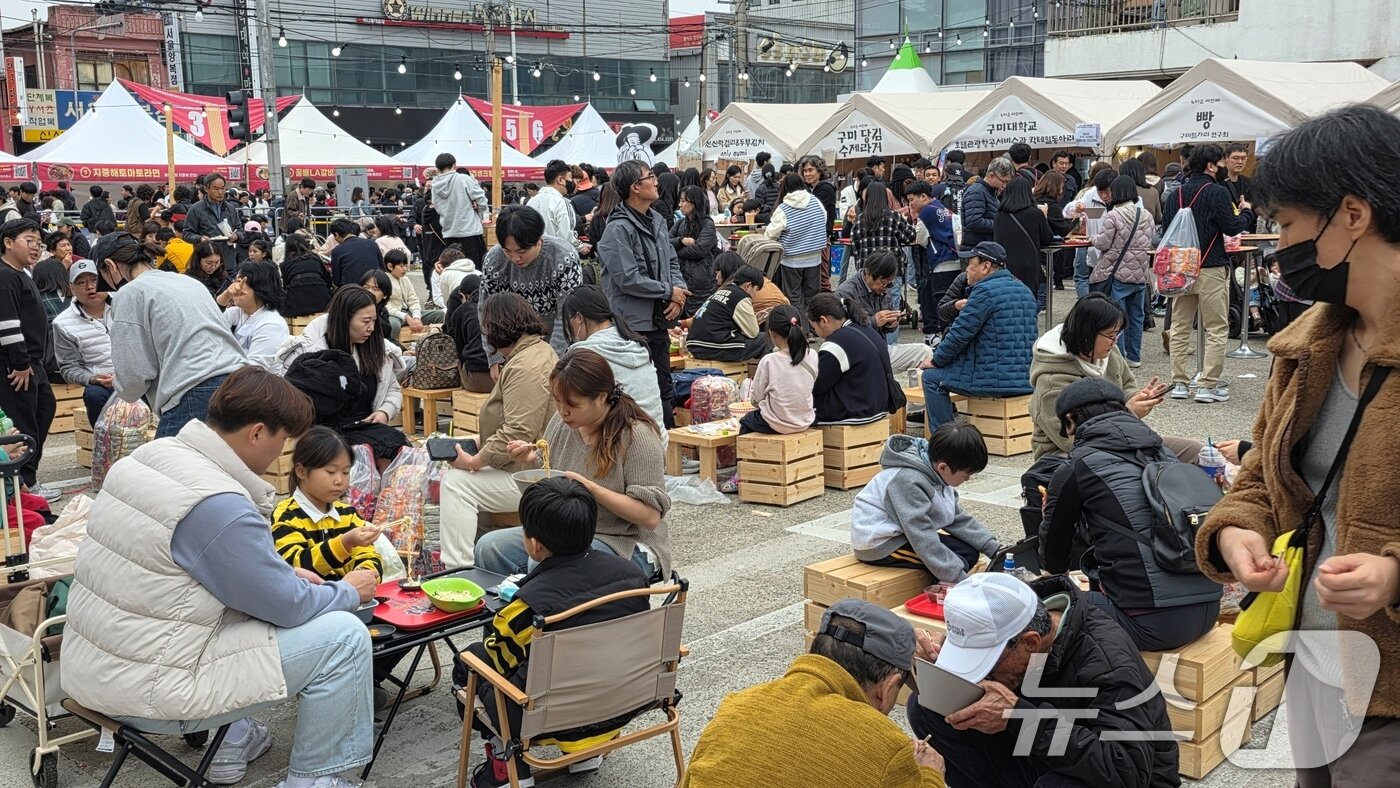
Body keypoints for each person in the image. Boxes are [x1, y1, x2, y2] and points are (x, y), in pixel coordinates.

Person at [1192, 105, 1400, 787]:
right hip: (1311, 654)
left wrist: (1394, 574)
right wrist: (1235, 533)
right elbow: (1262, 475)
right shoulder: (1306, 346)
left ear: (1352, 215)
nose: (1275, 244)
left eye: (1283, 224)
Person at [62, 368, 378, 788]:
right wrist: (348, 592)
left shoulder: (151, 458)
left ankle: (237, 735)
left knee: (249, 607)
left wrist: (280, 573)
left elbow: (185, 570)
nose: (280, 451)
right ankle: (314, 781)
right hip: (154, 687)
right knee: (343, 636)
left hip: (94, 667)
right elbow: (287, 605)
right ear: (258, 433)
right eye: (282, 440)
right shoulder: (218, 502)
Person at [458, 477, 650, 788]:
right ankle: (586, 753)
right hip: (624, 702)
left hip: (552, 719)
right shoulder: (633, 577)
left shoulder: (527, 607)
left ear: (534, 544)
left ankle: (507, 765)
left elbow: (500, 660)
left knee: (470, 662)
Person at [907, 572, 1178, 788]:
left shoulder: (1107, 663)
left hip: (1120, 774)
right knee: (927, 707)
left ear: (1030, 642)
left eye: (988, 662)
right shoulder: (1015, 616)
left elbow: (1125, 770)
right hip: (1045, 754)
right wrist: (935, 666)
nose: (985, 674)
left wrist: (1021, 717)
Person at [682, 598, 946, 788]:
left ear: (817, 652)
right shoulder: (886, 748)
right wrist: (930, 775)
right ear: (888, 689)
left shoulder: (735, 708)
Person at [1040, 378, 1222, 651]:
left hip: (1150, 625)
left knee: (1037, 605)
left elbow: (1054, 563)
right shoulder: (1165, 453)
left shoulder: (1077, 466)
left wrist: (1050, 516)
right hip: (1209, 610)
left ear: (1070, 420)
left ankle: (1046, 691)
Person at [474, 348, 671, 580]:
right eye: (557, 401)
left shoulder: (637, 436)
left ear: (602, 396)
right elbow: (551, 471)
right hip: (565, 532)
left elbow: (650, 517)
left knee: (546, 563)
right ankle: (512, 613)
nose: (563, 411)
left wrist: (589, 489)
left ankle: (544, 611)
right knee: (489, 547)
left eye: (573, 405)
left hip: (625, 542)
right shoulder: (561, 424)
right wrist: (530, 460)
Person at [439, 294, 558, 568]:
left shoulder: (527, 364)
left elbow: (517, 431)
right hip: (528, 465)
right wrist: (477, 443)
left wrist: (473, 461)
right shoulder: (531, 354)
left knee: (457, 484)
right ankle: (472, 559)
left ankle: (457, 568)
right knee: (459, 476)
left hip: (534, 474)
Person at [97, 232, 247, 439]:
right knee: (223, 468)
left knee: (173, 469)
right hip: (241, 382)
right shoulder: (187, 282)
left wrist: (120, 385)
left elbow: (134, 376)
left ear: (110, 266)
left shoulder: (130, 293)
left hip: (195, 390)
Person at [597, 159, 689, 429]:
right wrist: (668, 290)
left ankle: (669, 445)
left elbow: (671, 261)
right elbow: (627, 279)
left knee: (663, 383)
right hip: (632, 325)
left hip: (658, 318)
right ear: (635, 188)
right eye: (651, 177)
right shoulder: (617, 229)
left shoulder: (658, 220)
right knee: (636, 390)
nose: (656, 181)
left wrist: (677, 293)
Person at [1163, 144, 1256, 404]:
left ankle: (1179, 382)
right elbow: (1232, 226)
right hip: (1210, 267)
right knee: (1216, 327)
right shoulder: (1215, 192)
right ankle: (1207, 385)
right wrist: (1247, 211)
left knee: (1180, 326)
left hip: (1181, 268)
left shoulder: (1176, 194)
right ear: (1212, 165)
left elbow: (1167, 229)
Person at [272, 286, 408, 463]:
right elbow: (294, 402)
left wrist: (384, 412)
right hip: (323, 434)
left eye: (374, 321)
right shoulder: (310, 354)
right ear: (344, 319)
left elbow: (392, 388)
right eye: (365, 321)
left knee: (395, 448)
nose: (371, 328)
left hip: (366, 426)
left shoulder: (378, 351)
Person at [852, 424, 1001, 583]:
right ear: (943, 467)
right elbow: (922, 536)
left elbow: (956, 517)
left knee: (969, 553)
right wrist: (960, 580)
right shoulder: (907, 481)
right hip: (881, 542)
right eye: (966, 475)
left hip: (905, 533)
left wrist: (994, 548)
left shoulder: (937, 471)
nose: (968, 479)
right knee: (957, 563)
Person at [1029, 294, 1169, 460]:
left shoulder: (1107, 352)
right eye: (1111, 335)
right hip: (1067, 458)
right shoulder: (1052, 380)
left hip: (1119, 442)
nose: (1115, 341)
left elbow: (1127, 384)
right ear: (1087, 334)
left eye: (1117, 334)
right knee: (1148, 468)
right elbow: (1076, 442)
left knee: (1191, 451)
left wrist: (1138, 397)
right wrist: (1130, 413)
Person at [921, 242, 1036, 429]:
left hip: (994, 379)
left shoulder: (984, 292)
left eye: (970, 264)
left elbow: (959, 334)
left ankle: (945, 439)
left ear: (986, 266)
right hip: (1025, 378)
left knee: (931, 378)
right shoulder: (1025, 290)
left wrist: (935, 361)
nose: (966, 269)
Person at [271, 426, 382, 581]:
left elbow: (368, 555)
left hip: (351, 598)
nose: (339, 481)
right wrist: (345, 542)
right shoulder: (287, 516)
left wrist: (364, 573)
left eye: (345, 472)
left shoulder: (348, 514)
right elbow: (293, 565)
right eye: (331, 472)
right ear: (301, 471)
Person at [0, 219, 58, 497]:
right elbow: (7, 325)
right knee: (22, 424)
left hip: (34, 365)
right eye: (29, 240)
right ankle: (21, 484)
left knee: (43, 411)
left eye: (39, 242)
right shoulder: (5, 276)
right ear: (8, 243)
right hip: (16, 367)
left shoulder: (22, 273)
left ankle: (28, 478)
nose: (36, 247)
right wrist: (21, 364)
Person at [561, 285, 666, 438]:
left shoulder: (583, 353)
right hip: (657, 440)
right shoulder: (636, 343)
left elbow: (574, 407)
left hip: (622, 445)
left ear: (578, 319)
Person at [480, 205, 582, 361]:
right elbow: (486, 312)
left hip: (557, 346)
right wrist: (494, 358)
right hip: (512, 349)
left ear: (539, 241)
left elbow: (566, 316)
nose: (515, 258)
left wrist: (550, 361)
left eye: (522, 252)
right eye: (507, 251)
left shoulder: (563, 258)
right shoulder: (494, 260)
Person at [1089, 175, 1155, 366]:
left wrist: (1093, 238)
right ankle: (1135, 356)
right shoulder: (1147, 216)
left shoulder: (1114, 215)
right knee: (1136, 316)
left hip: (1118, 274)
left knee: (1117, 316)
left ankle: (1120, 356)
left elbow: (1103, 243)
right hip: (1140, 274)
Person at [835, 252, 932, 374]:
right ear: (869, 274)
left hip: (880, 349)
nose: (886, 287)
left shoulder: (885, 288)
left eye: (890, 283)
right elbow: (840, 333)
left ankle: (914, 392)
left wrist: (891, 323)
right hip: (855, 355)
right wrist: (874, 321)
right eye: (884, 283)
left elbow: (887, 326)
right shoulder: (845, 293)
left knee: (924, 352)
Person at [808, 293, 895, 425]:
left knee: (800, 403)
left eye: (814, 327)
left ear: (823, 321)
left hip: (857, 411)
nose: (816, 332)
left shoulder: (836, 343)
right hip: (880, 406)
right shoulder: (866, 329)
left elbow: (817, 385)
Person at [53, 260, 115, 427]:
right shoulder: (63, 323)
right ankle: (105, 445)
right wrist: (92, 378)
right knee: (94, 394)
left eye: (94, 280)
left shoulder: (124, 303)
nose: (90, 287)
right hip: (104, 383)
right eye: (81, 282)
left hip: (136, 378)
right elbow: (68, 367)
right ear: (72, 288)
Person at [740, 303, 816, 435]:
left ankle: (743, 456)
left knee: (746, 421)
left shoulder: (769, 361)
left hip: (776, 423)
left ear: (771, 333)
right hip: (805, 420)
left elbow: (757, 396)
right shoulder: (812, 354)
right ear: (800, 328)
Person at [765, 172, 828, 322]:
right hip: (814, 257)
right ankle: (814, 327)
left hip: (791, 260)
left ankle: (801, 329)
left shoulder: (783, 208)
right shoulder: (815, 201)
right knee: (811, 295)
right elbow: (823, 218)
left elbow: (770, 234)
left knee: (793, 296)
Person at [212, 259, 289, 370]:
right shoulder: (239, 313)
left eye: (239, 282)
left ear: (260, 288)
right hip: (235, 378)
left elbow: (253, 370)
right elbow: (210, 320)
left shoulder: (272, 324)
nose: (235, 288)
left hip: (259, 384)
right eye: (235, 282)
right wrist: (226, 294)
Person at [686, 264, 772, 362]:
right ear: (748, 286)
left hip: (694, 346)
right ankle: (768, 373)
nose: (755, 294)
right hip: (714, 348)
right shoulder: (741, 296)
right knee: (765, 339)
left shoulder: (720, 292)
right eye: (756, 290)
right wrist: (755, 322)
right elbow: (752, 333)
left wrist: (754, 320)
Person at [992, 177, 1054, 298]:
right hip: (1029, 265)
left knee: (1007, 299)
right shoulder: (1036, 214)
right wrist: (1045, 218)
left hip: (1005, 265)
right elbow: (1047, 239)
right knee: (1028, 299)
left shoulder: (999, 216)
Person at [847, 181, 916, 280]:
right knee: (893, 295)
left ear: (867, 197)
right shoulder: (894, 217)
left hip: (867, 273)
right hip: (891, 270)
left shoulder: (859, 220)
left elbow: (855, 248)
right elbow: (911, 236)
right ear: (885, 196)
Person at [1068, 167, 1120, 296]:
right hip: (1095, 255)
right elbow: (1067, 210)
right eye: (1100, 191)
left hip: (1119, 258)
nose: (1103, 196)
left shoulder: (1127, 200)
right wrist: (1076, 207)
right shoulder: (1090, 195)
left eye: (1107, 192)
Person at [182, 174, 247, 276]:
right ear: (206, 189)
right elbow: (186, 234)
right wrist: (200, 239)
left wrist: (236, 236)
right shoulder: (196, 209)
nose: (220, 192)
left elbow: (240, 230)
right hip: (205, 263)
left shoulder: (230, 209)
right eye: (216, 189)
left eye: (223, 188)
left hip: (228, 262)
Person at [431, 154, 490, 265]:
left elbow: (437, 207)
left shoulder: (435, 185)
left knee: (453, 268)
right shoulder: (463, 178)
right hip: (470, 232)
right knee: (475, 270)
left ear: (438, 169)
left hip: (449, 233)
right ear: (455, 165)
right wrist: (478, 208)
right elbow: (482, 201)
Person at [672, 184, 721, 313]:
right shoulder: (680, 224)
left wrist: (676, 252)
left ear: (694, 203)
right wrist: (681, 240)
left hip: (702, 281)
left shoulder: (707, 224)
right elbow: (665, 243)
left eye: (683, 201)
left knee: (700, 316)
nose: (680, 205)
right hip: (682, 278)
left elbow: (699, 250)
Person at [444, 274, 492, 393]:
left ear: (462, 296)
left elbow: (459, 350)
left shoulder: (461, 311)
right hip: (503, 376)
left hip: (477, 379)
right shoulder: (494, 305)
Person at [383, 248, 442, 338]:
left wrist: (416, 316)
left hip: (409, 313)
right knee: (393, 325)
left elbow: (413, 299)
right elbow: (386, 306)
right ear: (390, 266)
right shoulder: (383, 280)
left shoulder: (405, 279)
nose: (405, 269)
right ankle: (393, 347)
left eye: (406, 266)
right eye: (401, 266)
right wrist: (405, 317)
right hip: (394, 315)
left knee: (440, 315)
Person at [531, 159, 584, 253]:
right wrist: (581, 247)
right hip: (557, 255)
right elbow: (566, 235)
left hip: (534, 254)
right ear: (560, 180)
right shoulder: (562, 203)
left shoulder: (531, 201)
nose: (573, 182)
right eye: (570, 177)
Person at [959, 156, 1011, 249]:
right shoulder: (977, 192)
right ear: (991, 176)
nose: (1005, 185)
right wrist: (1000, 224)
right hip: (976, 251)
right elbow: (974, 222)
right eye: (1004, 181)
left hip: (983, 248)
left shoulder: (991, 193)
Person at [279, 233, 333, 318]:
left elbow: (286, 286)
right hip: (321, 297)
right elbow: (328, 280)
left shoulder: (285, 263)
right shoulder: (315, 257)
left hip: (297, 301)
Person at [328, 217, 383, 288]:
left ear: (336, 234)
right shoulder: (372, 243)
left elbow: (337, 280)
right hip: (375, 287)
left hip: (352, 291)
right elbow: (382, 269)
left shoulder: (338, 250)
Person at [1118, 158, 1162, 227]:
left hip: (1128, 232)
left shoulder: (1124, 191)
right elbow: (1158, 218)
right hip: (1149, 231)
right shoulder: (1154, 192)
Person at [1219, 142, 1252, 207]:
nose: (1240, 162)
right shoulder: (1218, 182)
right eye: (1235, 158)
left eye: (1243, 158)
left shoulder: (1248, 183)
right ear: (1225, 159)